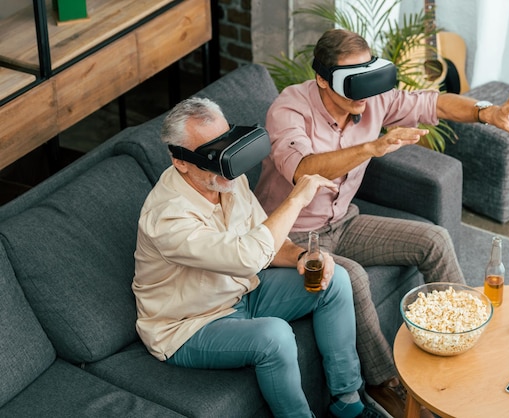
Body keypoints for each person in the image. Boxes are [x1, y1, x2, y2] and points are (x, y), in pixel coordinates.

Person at [254, 29, 509, 418]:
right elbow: (303, 170)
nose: (364, 94)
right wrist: (371, 147)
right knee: (354, 280)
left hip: (344, 223)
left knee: (432, 239)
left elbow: (434, 104)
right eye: (352, 82)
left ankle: (463, 336)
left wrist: (486, 111)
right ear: (322, 79)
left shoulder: (371, 97)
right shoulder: (289, 109)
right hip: (294, 237)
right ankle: (385, 384)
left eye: (367, 76)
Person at [132, 97, 382, 418]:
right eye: (212, 154)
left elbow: (264, 239)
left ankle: (348, 403)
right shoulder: (167, 218)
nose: (228, 161)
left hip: (242, 292)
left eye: (228, 145)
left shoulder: (227, 181)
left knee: (335, 282)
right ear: (180, 160)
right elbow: (247, 257)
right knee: (274, 337)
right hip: (190, 325)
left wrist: (300, 255)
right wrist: (296, 200)